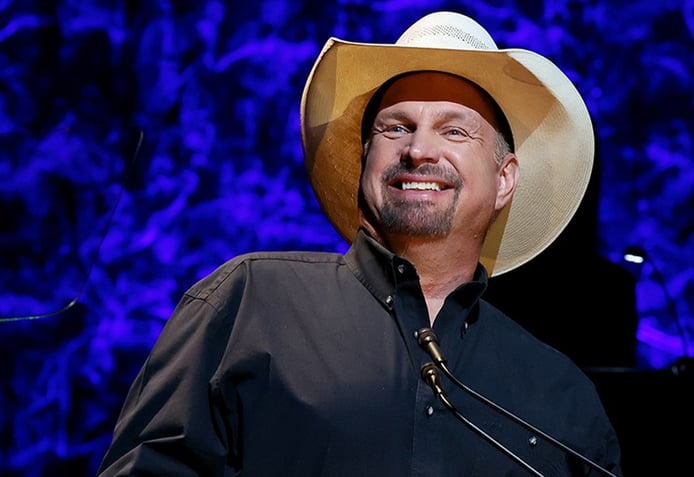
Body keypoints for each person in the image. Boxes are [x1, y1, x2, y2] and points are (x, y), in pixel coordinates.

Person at [96, 11, 623, 477]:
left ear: (505, 178)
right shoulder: (249, 304)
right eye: (395, 128)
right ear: (365, 162)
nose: (418, 150)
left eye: (455, 132)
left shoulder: (561, 399)